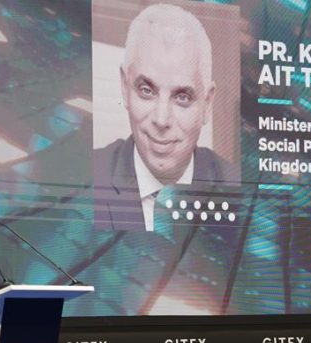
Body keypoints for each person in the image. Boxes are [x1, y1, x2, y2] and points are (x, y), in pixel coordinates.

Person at [94, 2, 233, 232]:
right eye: (146, 91)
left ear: (207, 103)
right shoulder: (83, 177)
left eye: (182, 97)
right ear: (125, 87)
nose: (161, 119)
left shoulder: (242, 190)